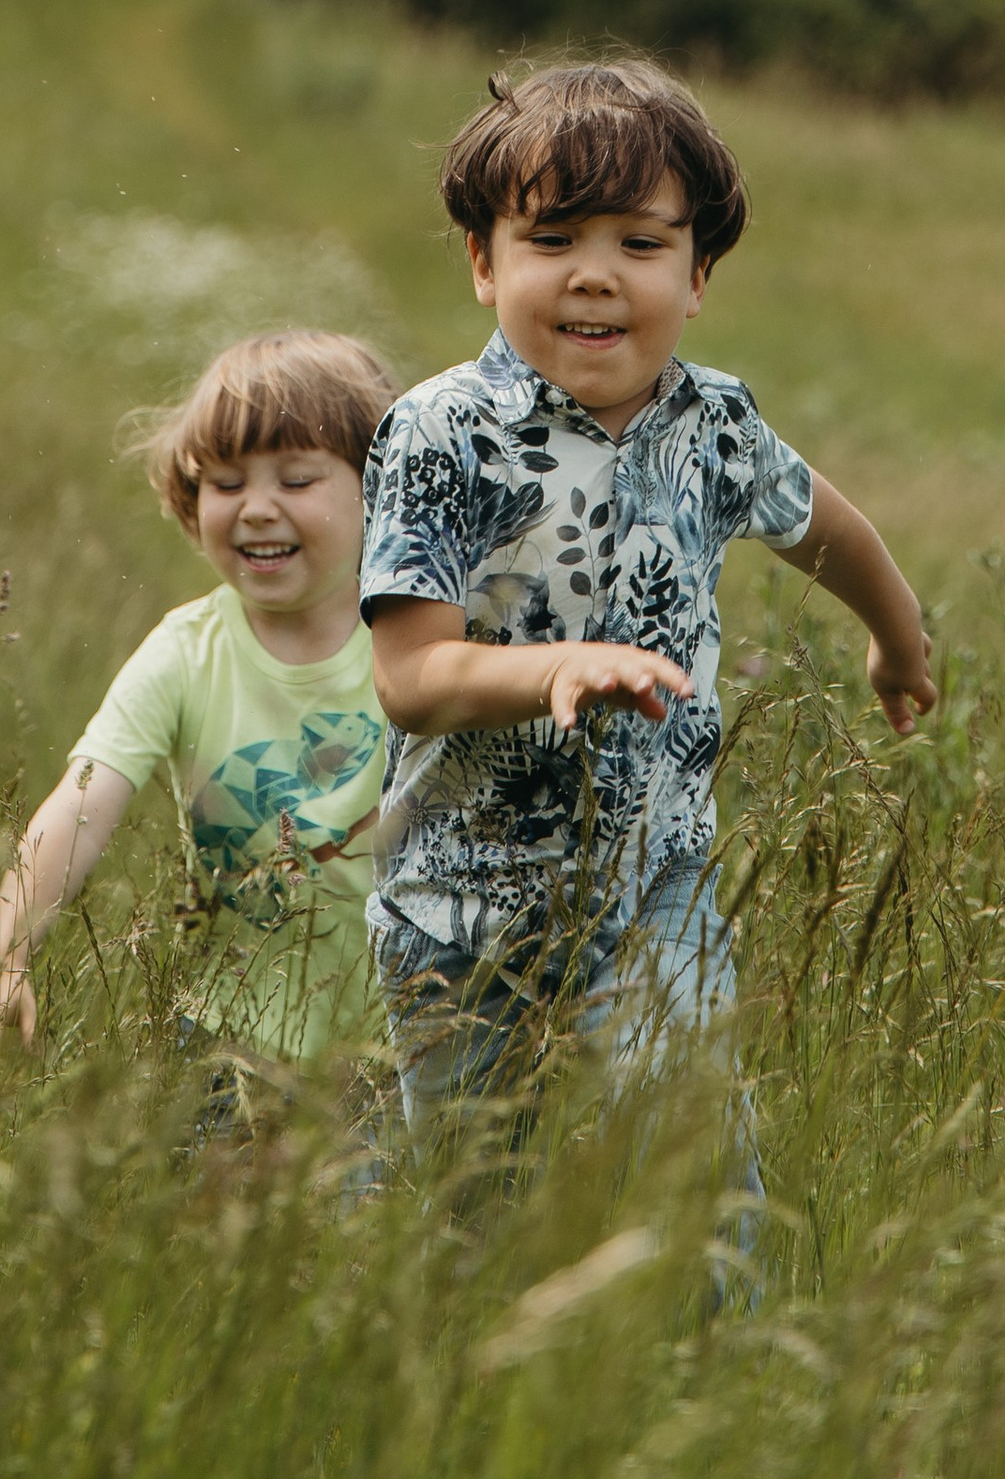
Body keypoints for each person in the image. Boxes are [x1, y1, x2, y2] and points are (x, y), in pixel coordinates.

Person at [359, 58, 935, 1142]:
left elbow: (831, 530)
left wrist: (895, 645)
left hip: (654, 877)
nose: (596, 276)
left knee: (688, 1148)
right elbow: (411, 679)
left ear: (697, 272)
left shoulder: (713, 425)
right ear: (483, 262)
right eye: (552, 240)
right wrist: (556, 672)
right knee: (483, 1213)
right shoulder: (441, 435)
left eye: (640, 243)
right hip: (460, 908)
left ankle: (716, 1312)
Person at [0, 328, 399, 1094]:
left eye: (296, 481)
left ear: (381, 488)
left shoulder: (413, 641)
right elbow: (80, 809)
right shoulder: (186, 652)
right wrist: (2, 961)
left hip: (403, 1040)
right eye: (225, 485)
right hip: (230, 1039)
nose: (256, 510)